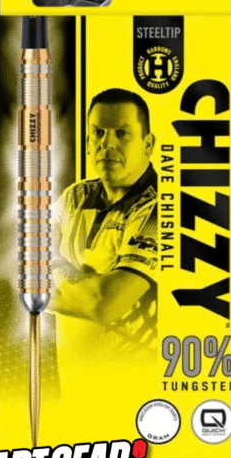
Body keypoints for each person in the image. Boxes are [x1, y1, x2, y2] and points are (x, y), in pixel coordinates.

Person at [50, 88, 158, 364]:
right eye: (98, 133)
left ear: (148, 144)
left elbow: (107, 304)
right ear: (88, 142)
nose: (107, 144)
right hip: (71, 372)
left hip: (135, 375)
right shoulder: (75, 197)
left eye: (122, 133)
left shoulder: (161, 208)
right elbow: (20, 258)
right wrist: (84, 285)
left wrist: (50, 272)